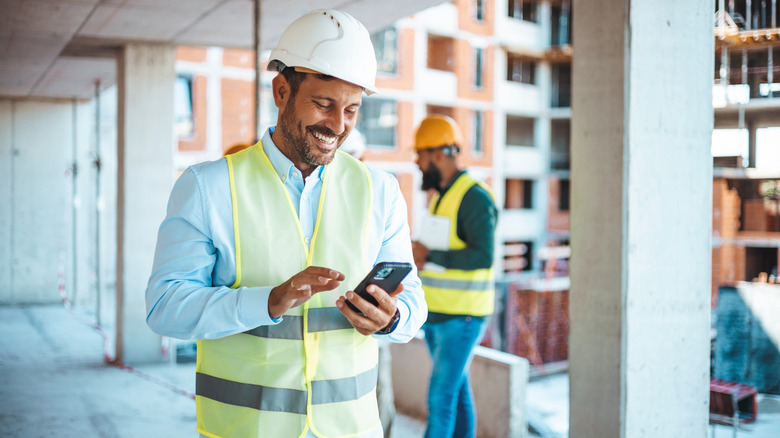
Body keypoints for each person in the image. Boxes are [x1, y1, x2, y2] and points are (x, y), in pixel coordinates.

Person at [145, 9, 426, 438]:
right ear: (281, 91)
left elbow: (415, 307)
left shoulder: (380, 190)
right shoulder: (207, 187)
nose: (338, 125)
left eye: (351, 109)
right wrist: (269, 302)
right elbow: (165, 308)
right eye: (323, 104)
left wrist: (391, 319)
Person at [411, 115, 497, 438]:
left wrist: (431, 255)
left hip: (463, 317)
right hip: (437, 314)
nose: (417, 162)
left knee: (441, 397)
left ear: (438, 154)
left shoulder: (474, 197)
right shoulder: (441, 196)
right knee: (457, 395)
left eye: (420, 154)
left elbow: (483, 255)